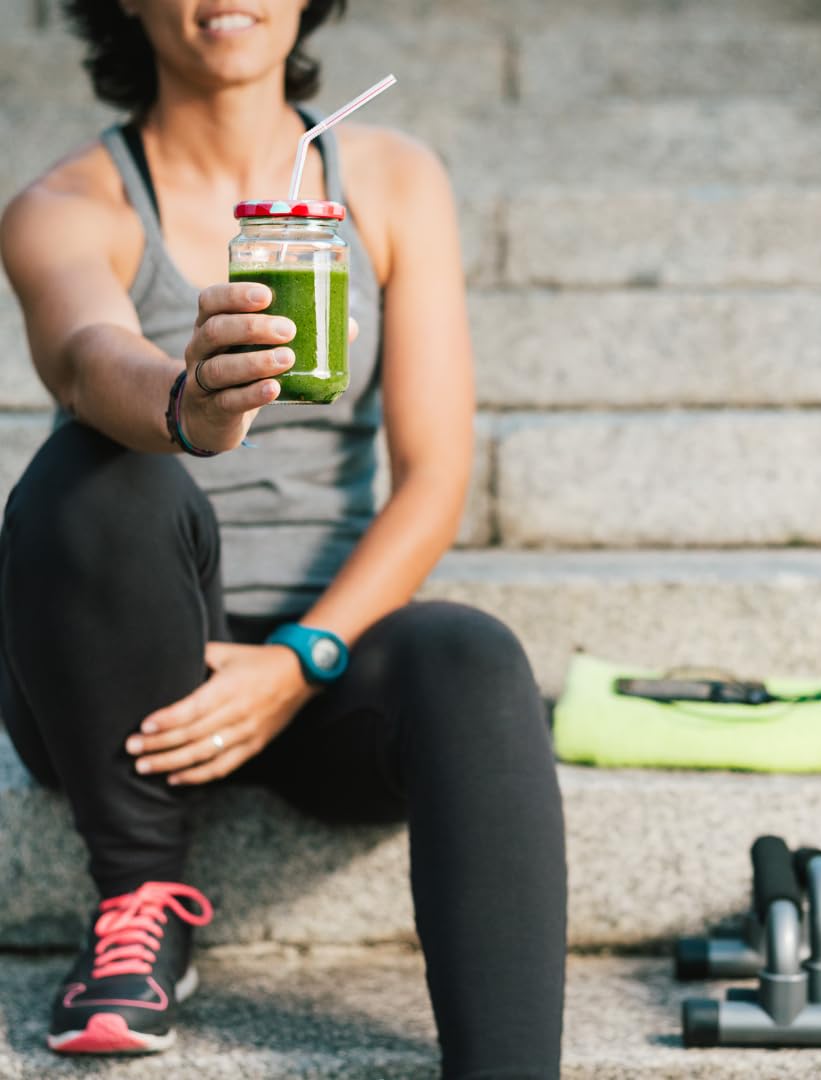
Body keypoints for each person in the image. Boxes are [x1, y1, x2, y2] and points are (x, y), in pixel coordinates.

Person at [0, 1, 567, 1076]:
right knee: (91, 470)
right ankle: (139, 894)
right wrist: (191, 405)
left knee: (472, 654)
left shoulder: (393, 181)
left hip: (329, 665)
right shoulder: (65, 205)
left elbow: (435, 478)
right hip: (116, 690)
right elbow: (86, 359)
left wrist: (302, 659)